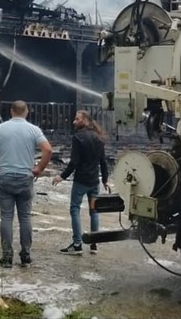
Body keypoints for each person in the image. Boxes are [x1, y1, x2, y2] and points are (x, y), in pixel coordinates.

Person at [0, 100, 52, 269]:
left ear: (11, 111)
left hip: (4, 177)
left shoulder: (0, 128)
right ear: (26, 112)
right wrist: (39, 169)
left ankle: (6, 255)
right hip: (25, 178)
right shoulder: (34, 130)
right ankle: (25, 254)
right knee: (25, 217)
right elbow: (48, 150)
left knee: (6, 217)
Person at [52, 109, 109, 255]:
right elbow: (103, 161)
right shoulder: (98, 137)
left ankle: (77, 244)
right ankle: (94, 243)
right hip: (94, 181)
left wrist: (62, 176)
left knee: (75, 209)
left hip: (81, 182)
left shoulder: (78, 137)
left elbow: (74, 162)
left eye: (77, 119)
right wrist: (105, 180)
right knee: (94, 212)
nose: (74, 121)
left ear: (85, 120)